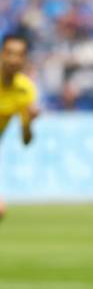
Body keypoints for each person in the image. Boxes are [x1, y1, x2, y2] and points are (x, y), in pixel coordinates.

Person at [0, 34, 39, 219]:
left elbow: (26, 141)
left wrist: (29, 123)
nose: (14, 59)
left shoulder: (25, 90)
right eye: (9, 53)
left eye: (19, 54)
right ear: (2, 54)